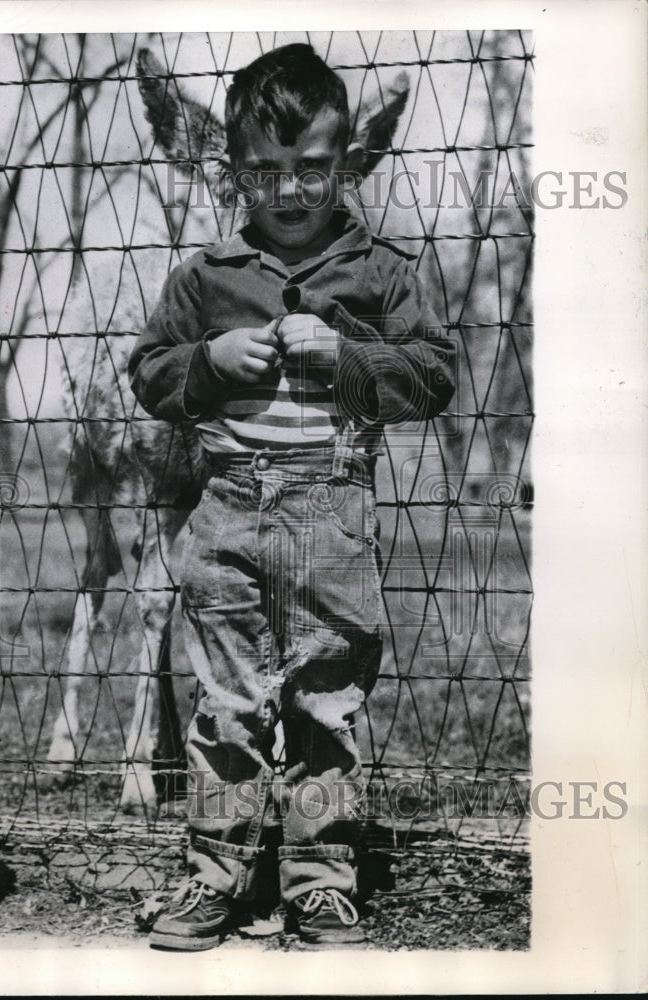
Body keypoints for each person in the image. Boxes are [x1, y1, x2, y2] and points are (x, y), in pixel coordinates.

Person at [129, 42, 456, 950]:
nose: (290, 189)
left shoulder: (383, 273)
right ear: (234, 168)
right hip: (229, 507)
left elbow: (434, 377)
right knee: (226, 703)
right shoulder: (206, 277)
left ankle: (319, 877)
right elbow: (149, 372)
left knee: (325, 701)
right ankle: (213, 873)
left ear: (347, 162)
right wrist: (205, 363)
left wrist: (348, 360)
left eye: (312, 168)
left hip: (333, 513)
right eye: (266, 170)